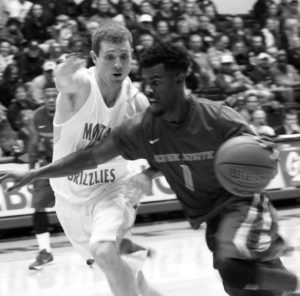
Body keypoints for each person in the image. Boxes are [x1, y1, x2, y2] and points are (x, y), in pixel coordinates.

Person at [1, 42, 300, 296]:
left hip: (242, 204)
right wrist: (33, 174)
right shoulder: (143, 127)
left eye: (157, 82)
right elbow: (90, 157)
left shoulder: (217, 117)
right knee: (238, 282)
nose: (150, 89)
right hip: (210, 214)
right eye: (146, 82)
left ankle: (286, 277)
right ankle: (285, 281)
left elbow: (263, 149)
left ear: (180, 80)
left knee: (233, 264)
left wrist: (261, 154)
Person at [13, 21, 163, 296]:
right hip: (70, 201)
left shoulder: (137, 103)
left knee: (104, 250)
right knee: (132, 278)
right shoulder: (83, 86)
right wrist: (60, 74)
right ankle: (126, 250)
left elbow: (165, 150)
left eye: (125, 56)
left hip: (114, 189)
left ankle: (119, 242)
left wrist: (147, 174)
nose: (118, 64)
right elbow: (65, 82)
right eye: (109, 57)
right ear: (94, 59)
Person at [27, 82, 57, 270]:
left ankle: (92, 251)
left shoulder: (71, 111)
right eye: (48, 96)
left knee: (83, 205)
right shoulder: (37, 116)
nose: (52, 99)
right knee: (38, 207)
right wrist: (31, 172)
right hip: (48, 164)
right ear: (43, 98)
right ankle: (45, 251)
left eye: (55, 96)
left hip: (72, 163)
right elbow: (32, 144)